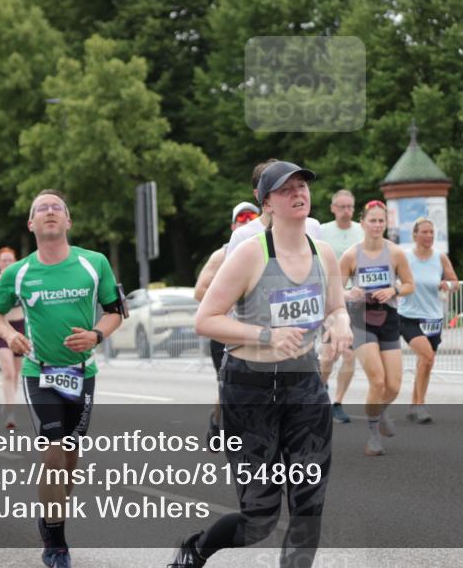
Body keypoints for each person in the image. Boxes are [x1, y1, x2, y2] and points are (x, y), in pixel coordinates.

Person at [172, 161, 352, 568]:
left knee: (309, 505)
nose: (298, 193)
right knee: (259, 519)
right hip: (250, 389)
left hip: (305, 386)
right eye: (286, 189)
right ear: (266, 201)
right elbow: (205, 319)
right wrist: (266, 335)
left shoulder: (323, 253)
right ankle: (197, 551)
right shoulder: (250, 254)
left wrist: (341, 326)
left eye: (302, 185)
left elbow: (336, 306)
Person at [0, 189, 124, 568]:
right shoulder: (18, 272)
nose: (49, 212)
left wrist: (97, 335)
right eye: (41, 209)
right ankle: (56, 541)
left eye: (56, 208)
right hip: (40, 372)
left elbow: (115, 311)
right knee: (52, 451)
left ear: (68, 221)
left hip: (82, 374)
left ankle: (51, 514)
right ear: (31, 224)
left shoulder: (94, 263)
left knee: (69, 462)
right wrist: (11, 334)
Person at [338, 199, 415, 456]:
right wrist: (351, 292)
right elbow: (334, 289)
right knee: (378, 381)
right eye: (372, 220)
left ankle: (380, 411)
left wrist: (393, 289)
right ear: (362, 223)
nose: (377, 225)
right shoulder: (351, 255)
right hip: (361, 321)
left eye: (381, 220)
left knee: (393, 385)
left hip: (389, 318)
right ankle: (373, 436)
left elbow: (409, 285)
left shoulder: (395, 253)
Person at [193, 202, 260, 442]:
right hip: (225, 332)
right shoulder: (222, 254)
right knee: (229, 385)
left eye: (252, 218)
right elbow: (199, 291)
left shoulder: (268, 250)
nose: (246, 223)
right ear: (233, 226)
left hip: (255, 332)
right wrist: (226, 300)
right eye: (241, 220)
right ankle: (220, 422)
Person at [397, 217, 459, 424]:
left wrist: (447, 286)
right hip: (409, 316)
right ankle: (421, 405)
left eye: (431, 232)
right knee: (427, 357)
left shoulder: (439, 257)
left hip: (433, 317)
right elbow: (394, 279)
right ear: (415, 235)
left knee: (425, 362)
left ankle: (414, 404)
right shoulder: (405, 257)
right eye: (424, 232)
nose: (429, 236)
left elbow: (454, 281)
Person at [318, 189, 364, 423]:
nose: (346, 212)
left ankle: (338, 403)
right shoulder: (323, 231)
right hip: (330, 303)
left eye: (350, 207)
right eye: (342, 207)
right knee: (328, 355)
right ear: (333, 208)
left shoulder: (361, 231)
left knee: (348, 354)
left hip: (355, 305)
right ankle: (320, 386)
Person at [225, 159, 322, 257]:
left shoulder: (314, 227)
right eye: (284, 188)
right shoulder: (243, 237)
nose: (297, 192)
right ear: (260, 196)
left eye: (301, 185)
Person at [0, 247, 26, 430]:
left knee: (16, 373)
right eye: (4, 261)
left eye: (10, 260)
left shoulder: (23, 277)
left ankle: (9, 404)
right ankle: (11, 414)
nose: (7, 264)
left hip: (20, 327)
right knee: (8, 371)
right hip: (1, 328)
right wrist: (3, 284)